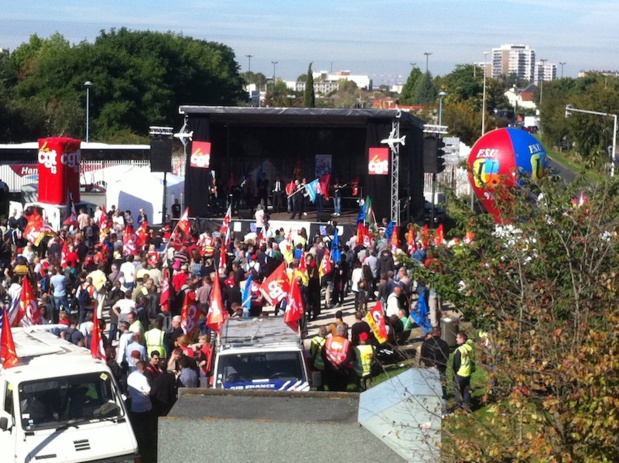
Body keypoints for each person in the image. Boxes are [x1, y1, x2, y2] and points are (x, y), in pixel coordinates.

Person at [127, 360, 154, 462]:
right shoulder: (143, 378)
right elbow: (147, 391)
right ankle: (148, 446)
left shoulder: (130, 376)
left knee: (137, 428)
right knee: (147, 428)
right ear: (144, 368)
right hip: (144, 407)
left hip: (134, 406)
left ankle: (139, 444)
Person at [419, 327, 450, 406]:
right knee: (442, 389)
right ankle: (444, 410)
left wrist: (430, 365)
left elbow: (423, 357)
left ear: (432, 333)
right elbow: (445, 357)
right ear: (439, 333)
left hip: (429, 369)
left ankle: (432, 407)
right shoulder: (444, 343)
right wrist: (437, 365)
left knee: (430, 389)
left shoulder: (425, 343)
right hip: (441, 369)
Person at [322, 324, 354, 392]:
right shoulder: (347, 343)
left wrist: (330, 365)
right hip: (342, 371)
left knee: (331, 390)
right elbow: (350, 357)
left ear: (336, 332)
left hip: (330, 369)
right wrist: (340, 366)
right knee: (342, 390)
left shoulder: (328, 340)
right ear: (345, 333)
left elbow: (323, 354)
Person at [453, 332, 475, 412]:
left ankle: (459, 407)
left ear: (462, 339)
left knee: (457, 390)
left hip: (460, 373)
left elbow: (456, 363)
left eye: (457, 338)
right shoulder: (470, 348)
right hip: (468, 373)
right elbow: (473, 361)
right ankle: (468, 406)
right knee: (466, 390)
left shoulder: (459, 350)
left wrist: (455, 372)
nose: (456, 340)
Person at [309, 326, 327, 391]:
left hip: (316, 362)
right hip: (324, 364)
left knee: (318, 380)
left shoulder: (314, 339)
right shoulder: (327, 341)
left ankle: (319, 388)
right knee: (324, 378)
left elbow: (311, 351)